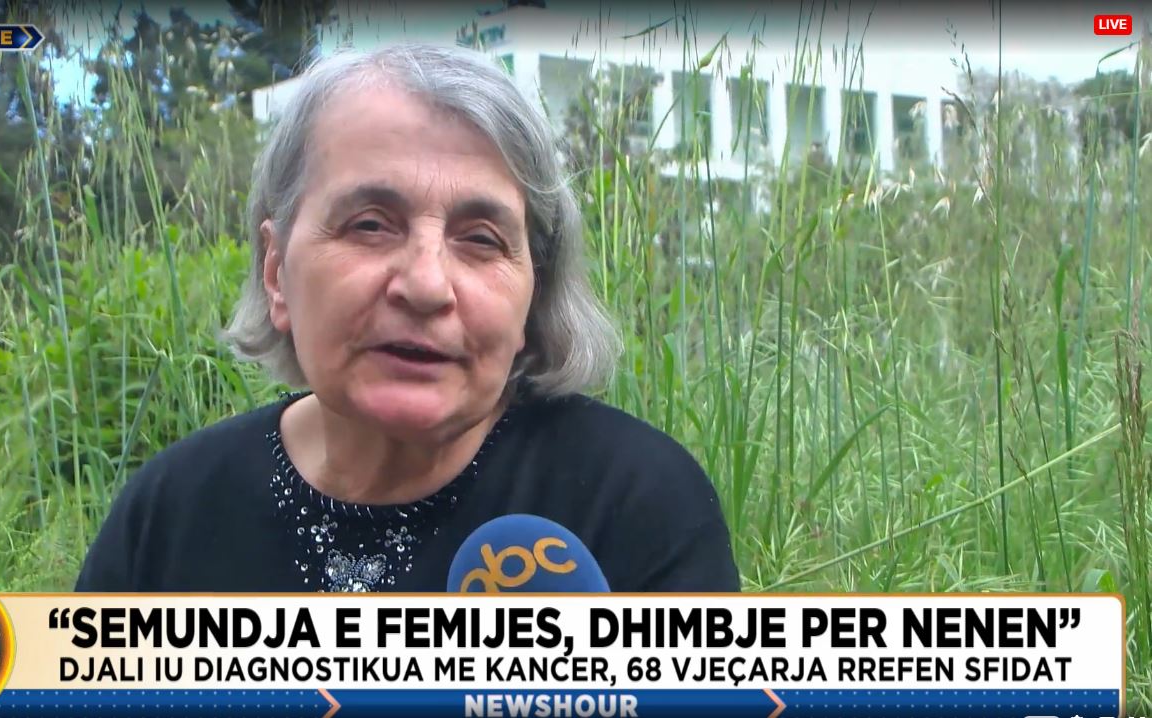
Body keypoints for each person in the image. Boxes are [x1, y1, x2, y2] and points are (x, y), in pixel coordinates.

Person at [75, 43, 739, 593]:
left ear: (533, 295)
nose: (426, 285)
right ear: (276, 272)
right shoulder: (171, 512)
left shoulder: (635, 507)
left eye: (480, 239)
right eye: (369, 225)